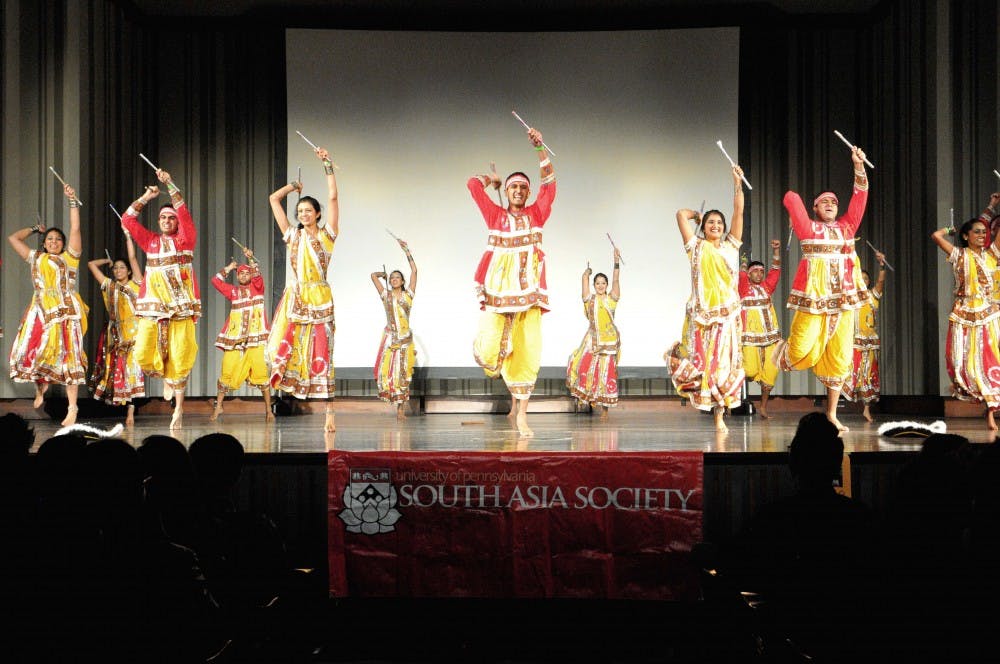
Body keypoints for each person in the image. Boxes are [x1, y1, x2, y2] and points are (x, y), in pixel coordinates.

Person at [774, 146, 869, 432]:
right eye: (823, 201)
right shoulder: (808, 229)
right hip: (814, 300)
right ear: (815, 208)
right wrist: (799, 212)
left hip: (843, 302)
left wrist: (858, 166)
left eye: (833, 201)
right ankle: (775, 349)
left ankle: (831, 414)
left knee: (840, 357)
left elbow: (859, 199)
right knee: (803, 348)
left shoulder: (847, 227)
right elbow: (790, 197)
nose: (830, 203)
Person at [469, 127, 554, 437]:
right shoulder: (494, 216)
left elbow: (550, 184)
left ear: (527, 193)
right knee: (491, 349)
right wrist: (490, 180)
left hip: (529, 293)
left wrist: (539, 148)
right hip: (498, 293)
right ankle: (494, 363)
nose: (518, 190)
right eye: (512, 187)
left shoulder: (537, 213)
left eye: (522, 187)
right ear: (506, 192)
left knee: (528, 349)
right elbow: (471, 185)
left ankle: (521, 416)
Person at [666, 165, 746, 432]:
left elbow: (739, 212)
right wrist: (696, 215)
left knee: (723, 366)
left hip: (727, 317)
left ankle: (720, 414)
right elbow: (680, 214)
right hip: (702, 317)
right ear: (704, 227)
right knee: (705, 366)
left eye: (719, 223)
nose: (715, 225)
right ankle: (712, 409)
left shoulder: (730, 246)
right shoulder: (696, 247)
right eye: (711, 222)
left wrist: (737, 184)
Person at [121, 168, 200, 431]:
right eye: (163, 217)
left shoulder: (185, 240)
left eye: (171, 217)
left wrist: (170, 185)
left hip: (180, 307)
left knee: (180, 354)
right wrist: (147, 196)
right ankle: (166, 375)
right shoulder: (151, 242)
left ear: (177, 223)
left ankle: (178, 408)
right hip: (153, 307)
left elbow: (185, 213)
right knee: (142, 353)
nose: (167, 220)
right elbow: (128, 219)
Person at [266, 146, 339, 432]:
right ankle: (292, 391)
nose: (303, 214)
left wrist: (327, 165)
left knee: (324, 350)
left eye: (308, 210)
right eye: (300, 211)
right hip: (297, 297)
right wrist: (292, 187)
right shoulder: (292, 236)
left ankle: (330, 412)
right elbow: (273, 199)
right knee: (291, 350)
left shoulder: (327, 235)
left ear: (318, 213)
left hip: (320, 297)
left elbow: (333, 196)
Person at [7, 184, 88, 426]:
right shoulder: (36, 258)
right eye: (50, 239)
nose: (53, 242)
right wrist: (35, 229)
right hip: (41, 311)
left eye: (58, 239)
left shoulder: (69, 258)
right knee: (33, 351)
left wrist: (72, 201)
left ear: (64, 244)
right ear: (44, 243)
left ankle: (72, 408)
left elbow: (75, 227)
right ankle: (40, 388)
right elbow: (13, 238)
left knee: (70, 358)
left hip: (65, 312)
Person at [932, 196, 1000, 430]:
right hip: (963, 315)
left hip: (988, 316)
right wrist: (949, 228)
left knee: (990, 360)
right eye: (977, 232)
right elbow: (936, 236)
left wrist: (992, 208)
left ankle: (991, 410)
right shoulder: (959, 255)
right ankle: (981, 403)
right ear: (965, 236)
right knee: (964, 364)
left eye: (984, 232)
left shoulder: (991, 255)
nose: (982, 235)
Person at [87, 229, 145, 426]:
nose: (118, 271)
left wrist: (129, 237)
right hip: (116, 334)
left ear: (129, 271)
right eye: (116, 268)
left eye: (122, 268)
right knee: (118, 370)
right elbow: (91, 265)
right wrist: (107, 262)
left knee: (133, 371)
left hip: (135, 334)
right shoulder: (109, 285)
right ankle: (124, 405)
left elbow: (132, 257)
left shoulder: (136, 284)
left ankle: (131, 411)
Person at [209, 246, 273, 423]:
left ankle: (268, 410)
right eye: (241, 274)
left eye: (247, 273)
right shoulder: (233, 292)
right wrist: (229, 268)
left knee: (261, 374)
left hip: (255, 340)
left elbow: (258, 276)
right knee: (226, 371)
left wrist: (251, 259)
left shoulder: (258, 289)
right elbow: (216, 281)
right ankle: (219, 407)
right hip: (236, 340)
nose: (244, 276)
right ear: (237, 277)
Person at [566, 248, 622, 420]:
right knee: (581, 366)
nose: (600, 285)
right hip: (591, 341)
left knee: (606, 375)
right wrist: (587, 273)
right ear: (594, 285)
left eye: (602, 283)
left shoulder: (611, 300)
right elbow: (584, 280)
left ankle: (605, 410)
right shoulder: (589, 300)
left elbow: (616, 279)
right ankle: (586, 398)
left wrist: (616, 262)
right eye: (597, 283)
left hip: (609, 343)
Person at [371, 237, 418, 420]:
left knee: (403, 375)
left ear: (403, 280)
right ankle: (395, 405)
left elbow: (415, 270)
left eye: (397, 277)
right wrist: (381, 275)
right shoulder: (386, 295)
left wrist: (407, 251)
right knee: (391, 375)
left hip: (405, 340)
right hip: (391, 340)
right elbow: (373, 277)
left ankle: (401, 410)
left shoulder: (408, 295)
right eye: (391, 277)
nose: (394, 279)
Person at [738, 239, 782, 418]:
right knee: (749, 371)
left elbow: (776, 271)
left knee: (770, 374)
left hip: (770, 337)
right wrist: (742, 260)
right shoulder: (743, 288)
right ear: (748, 274)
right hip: (750, 338)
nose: (759, 274)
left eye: (761, 271)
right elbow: (740, 274)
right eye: (754, 271)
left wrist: (776, 251)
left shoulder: (767, 287)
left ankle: (763, 407)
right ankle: (728, 395)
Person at [842, 251, 887, 422]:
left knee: (869, 375)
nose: (863, 281)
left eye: (866, 279)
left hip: (870, 343)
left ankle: (866, 409)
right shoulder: (849, 298)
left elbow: (881, 281)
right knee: (850, 373)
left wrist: (882, 265)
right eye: (859, 278)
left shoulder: (872, 296)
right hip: (853, 342)